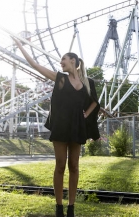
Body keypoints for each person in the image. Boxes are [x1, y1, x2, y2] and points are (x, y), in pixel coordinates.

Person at [13, 37, 100, 217]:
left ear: (73, 61)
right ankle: (59, 206)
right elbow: (36, 66)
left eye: (63, 60)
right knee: (60, 165)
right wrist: (21, 46)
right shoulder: (61, 78)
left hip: (77, 126)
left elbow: (95, 103)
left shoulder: (88, 82)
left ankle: (71, 207)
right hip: (61, 124)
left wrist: (86, 114)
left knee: (74, 165)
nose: (61, 63)